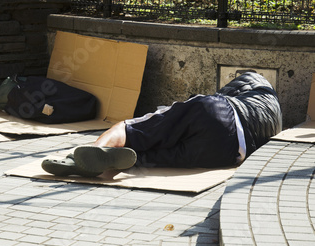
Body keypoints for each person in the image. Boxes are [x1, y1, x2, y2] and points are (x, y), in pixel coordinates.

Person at [42, 72, 282, 177]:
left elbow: (216, 101)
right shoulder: (271, 111)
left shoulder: (251, 83)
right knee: (145, 156)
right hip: (230, 154)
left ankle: (82, 156)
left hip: (218, 115)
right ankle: (103, 168)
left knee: (130, 128)